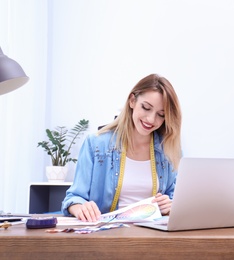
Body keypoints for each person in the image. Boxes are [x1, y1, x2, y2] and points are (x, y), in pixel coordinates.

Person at [61, 74, 182, 222]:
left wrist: (170, 205)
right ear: (132, 101)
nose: (151, 119)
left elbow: (175, 198)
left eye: (161, 115)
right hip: (108, 235)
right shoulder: (96, 144)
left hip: (152, 235)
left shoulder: (167, 150)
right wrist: (80, 208)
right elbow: (74, 197)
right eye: (146, 108)